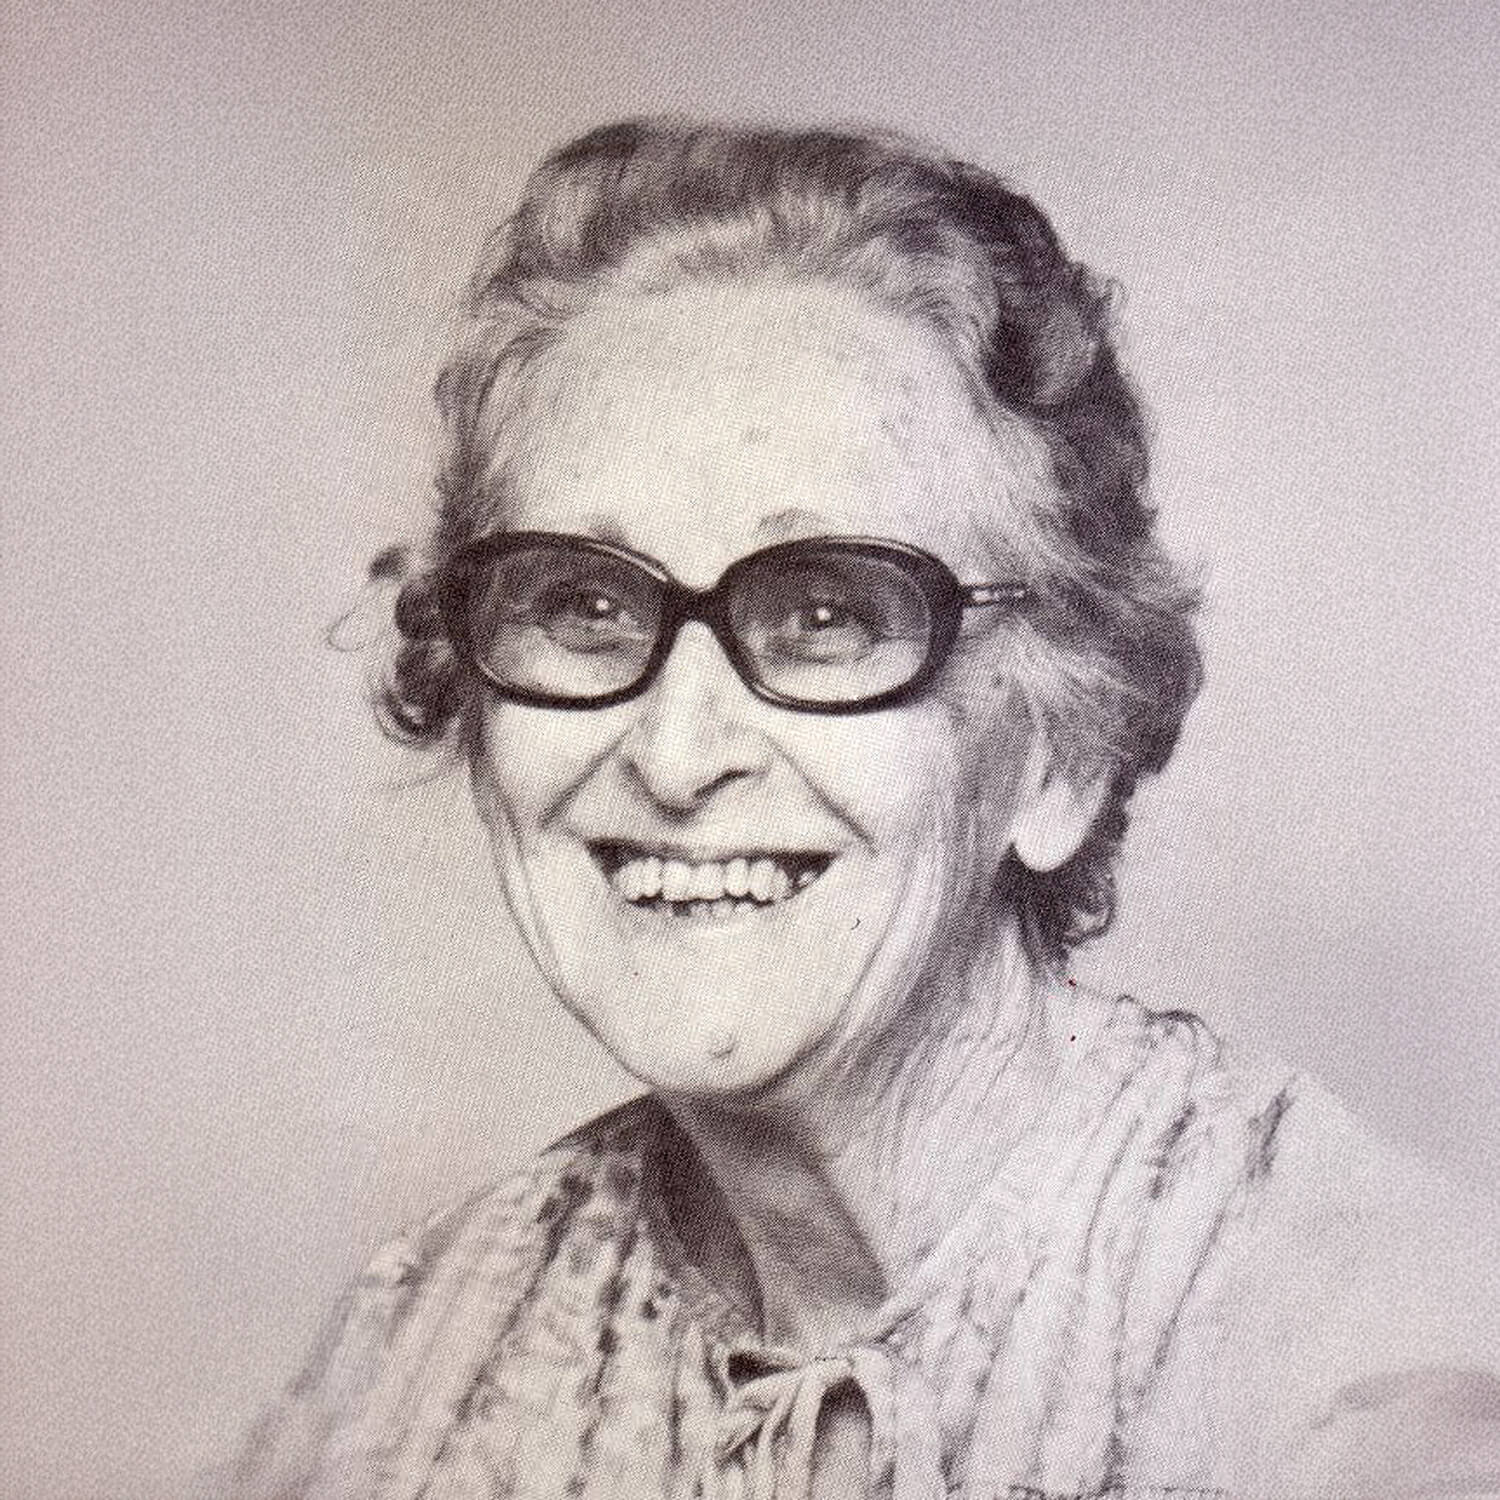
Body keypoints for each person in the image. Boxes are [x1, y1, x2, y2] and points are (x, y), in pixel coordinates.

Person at [229, 119, 1500, 1499]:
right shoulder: (415, 1359)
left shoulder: (1365, 1370)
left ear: (1059, 749)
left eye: (830, 612)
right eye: (586, 605)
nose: (675, 749)